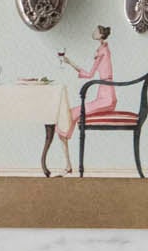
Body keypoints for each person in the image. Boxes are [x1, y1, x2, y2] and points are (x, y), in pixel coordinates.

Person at [49, 24, 115, 175]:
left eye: (96, 31)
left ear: (100, 35)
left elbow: (90, 74)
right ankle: (68, 164)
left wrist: (69, 62)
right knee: (68, 115)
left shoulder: (102, 51)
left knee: (69, 115)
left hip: (107, 98)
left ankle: (68, 164)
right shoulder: (103, 49)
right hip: (103, 95)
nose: (93, 32)